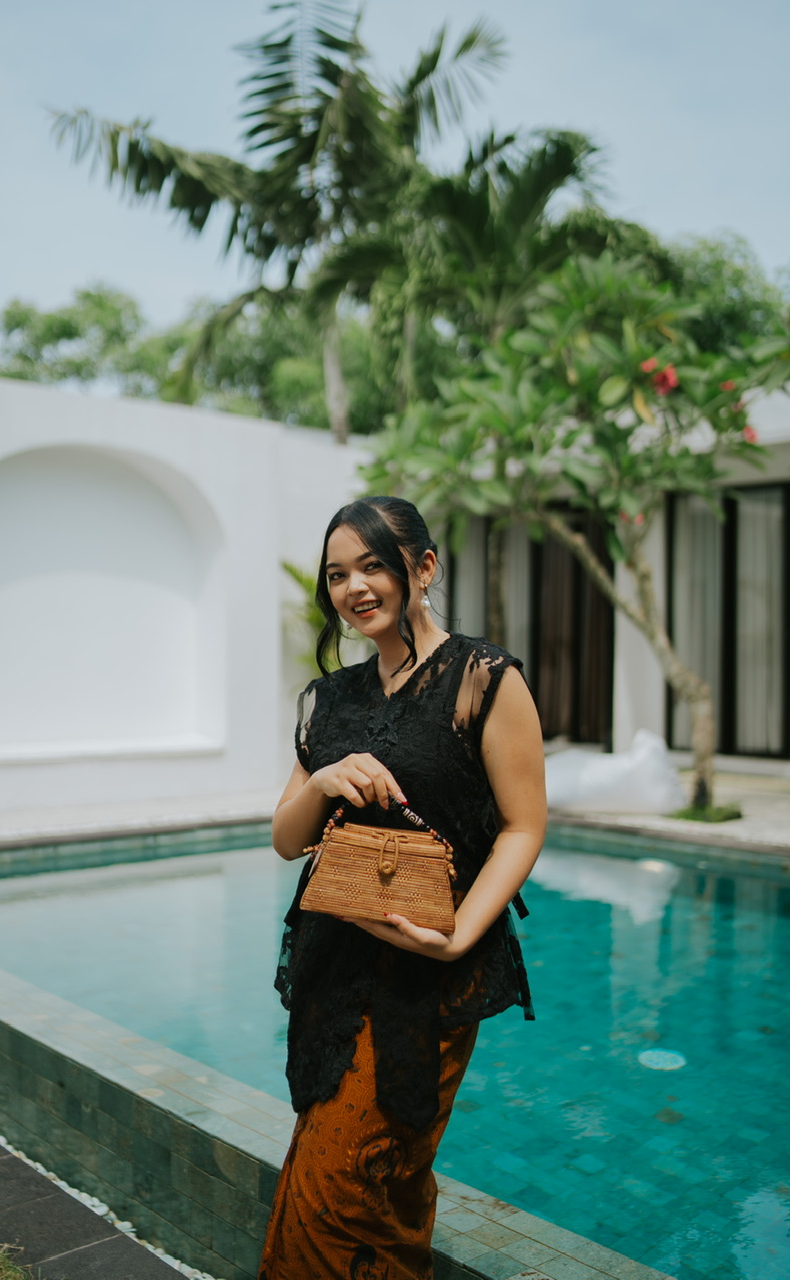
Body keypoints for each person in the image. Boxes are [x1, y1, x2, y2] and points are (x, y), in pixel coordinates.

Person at [259, 496, 547, 1280]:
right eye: (336, 574)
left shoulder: (482, 679)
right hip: (331, 962)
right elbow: (287, 839)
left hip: (428, 973)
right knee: (373, 1183)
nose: (353, 587)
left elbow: (522, 827)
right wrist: (324, 779)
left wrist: (456, 937)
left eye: (372, 566)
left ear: (422, 567)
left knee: (354, 1178)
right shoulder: (331, 697)